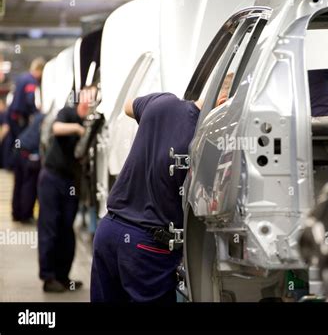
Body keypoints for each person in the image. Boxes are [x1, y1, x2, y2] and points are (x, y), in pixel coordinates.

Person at [90, 74, 233, 303]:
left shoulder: (162, 102)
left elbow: (128, 107)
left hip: (108, 232)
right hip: (146, 249)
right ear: (222, 101)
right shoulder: (204, 143)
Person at [37, 98, 87, 293]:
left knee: (67, 229)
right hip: (52, 176)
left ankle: (63, 276)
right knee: (50, 227)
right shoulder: (68, 113)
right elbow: (57, 128)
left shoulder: (93, 122)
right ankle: (48, 277)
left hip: (70, 181)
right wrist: (77, 128)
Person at [11, 110, 44, 222]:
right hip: (27, 153)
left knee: (18, 183)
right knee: (29, 184)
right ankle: (25, 215)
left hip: (18, 148)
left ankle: (16, 214)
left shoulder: (39, 116)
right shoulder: (47, 120)